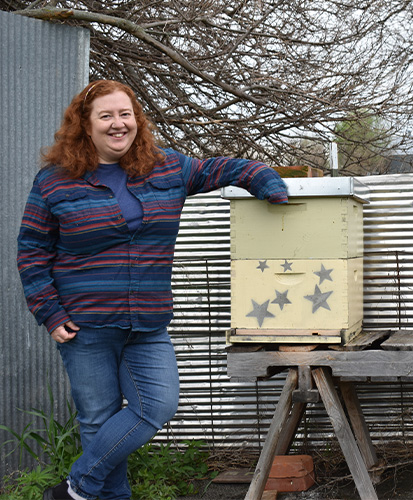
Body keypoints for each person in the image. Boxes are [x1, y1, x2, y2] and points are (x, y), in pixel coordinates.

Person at [16, 79, 288, 500]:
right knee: (98, 420)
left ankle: (76, 487)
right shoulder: (55, 181)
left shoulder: (167, 168)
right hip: (83, 326)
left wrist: (266, 182)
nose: (117, 124)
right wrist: (48, 312)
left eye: (125, 114)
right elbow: (32, 251)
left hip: (148, 325)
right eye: (105, 116)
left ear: (137, 121)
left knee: (156, 406)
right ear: (84, 125)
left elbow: (224, 168)